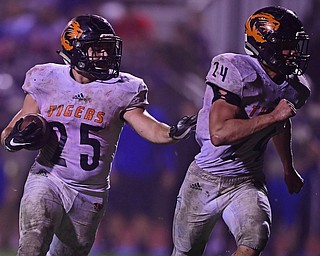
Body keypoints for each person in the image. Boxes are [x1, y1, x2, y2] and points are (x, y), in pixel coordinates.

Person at [0, 14, 196, 256]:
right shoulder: (46, 78)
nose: (104, 55)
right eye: (97, 49)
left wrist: (172, 133)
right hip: (48, 177)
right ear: (75, 49)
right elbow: (15, 126)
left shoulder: (122, 88)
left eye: (106, 48)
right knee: (33, 242)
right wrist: (13, 138)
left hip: (90, 191)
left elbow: (147, 125)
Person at [171, 6, 311, 256]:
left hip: (247, 180)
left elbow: (280, 125)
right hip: (205, 178)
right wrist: (273, 116)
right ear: (265, 45)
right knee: (185, 252)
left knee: (255, 237)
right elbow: (220, 133)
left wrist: (288, 169)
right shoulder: (235, 69)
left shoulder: (294, 86)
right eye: (287, 45)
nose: (293, 52)